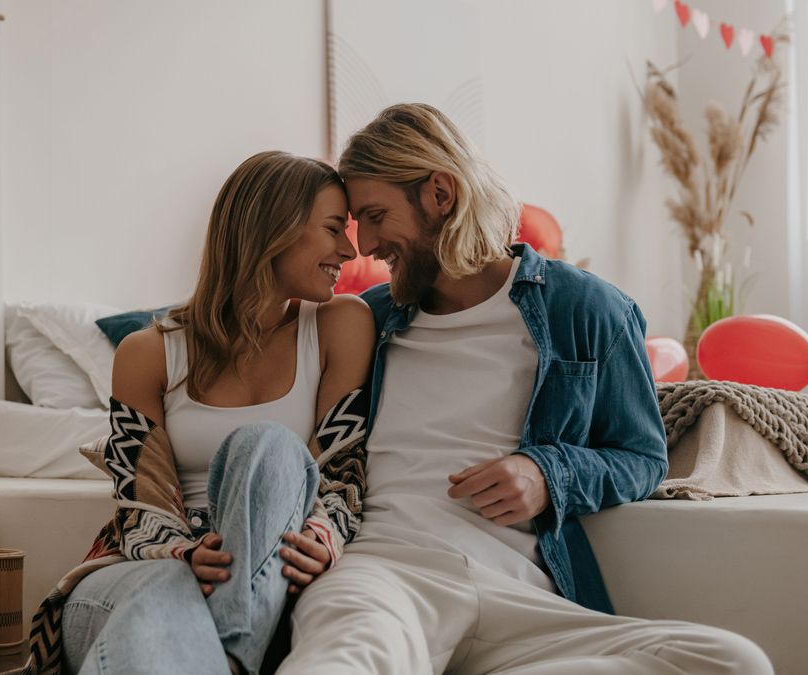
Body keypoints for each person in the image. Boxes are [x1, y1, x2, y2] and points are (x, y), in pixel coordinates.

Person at [276, 104, 773, 674]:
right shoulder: (369, 319)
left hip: (523, 595)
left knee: (730, 661)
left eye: (375, 215)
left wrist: (546, 474)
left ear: (440, 193)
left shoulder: (585, 309)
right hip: (387, 576)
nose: (364, 246)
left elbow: (643, 457)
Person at [23, 151, 375, 675]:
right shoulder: (148, 353)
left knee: (270, 446)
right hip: (146, 567)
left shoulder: (340, 325)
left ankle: (232, 649)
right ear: (273, 229)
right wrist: (183, 554)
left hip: (269, 572)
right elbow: (136, 499)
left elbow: (343, 471)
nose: (348, 250)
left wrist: (325, 538)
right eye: (332, 229)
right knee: (169, 590)